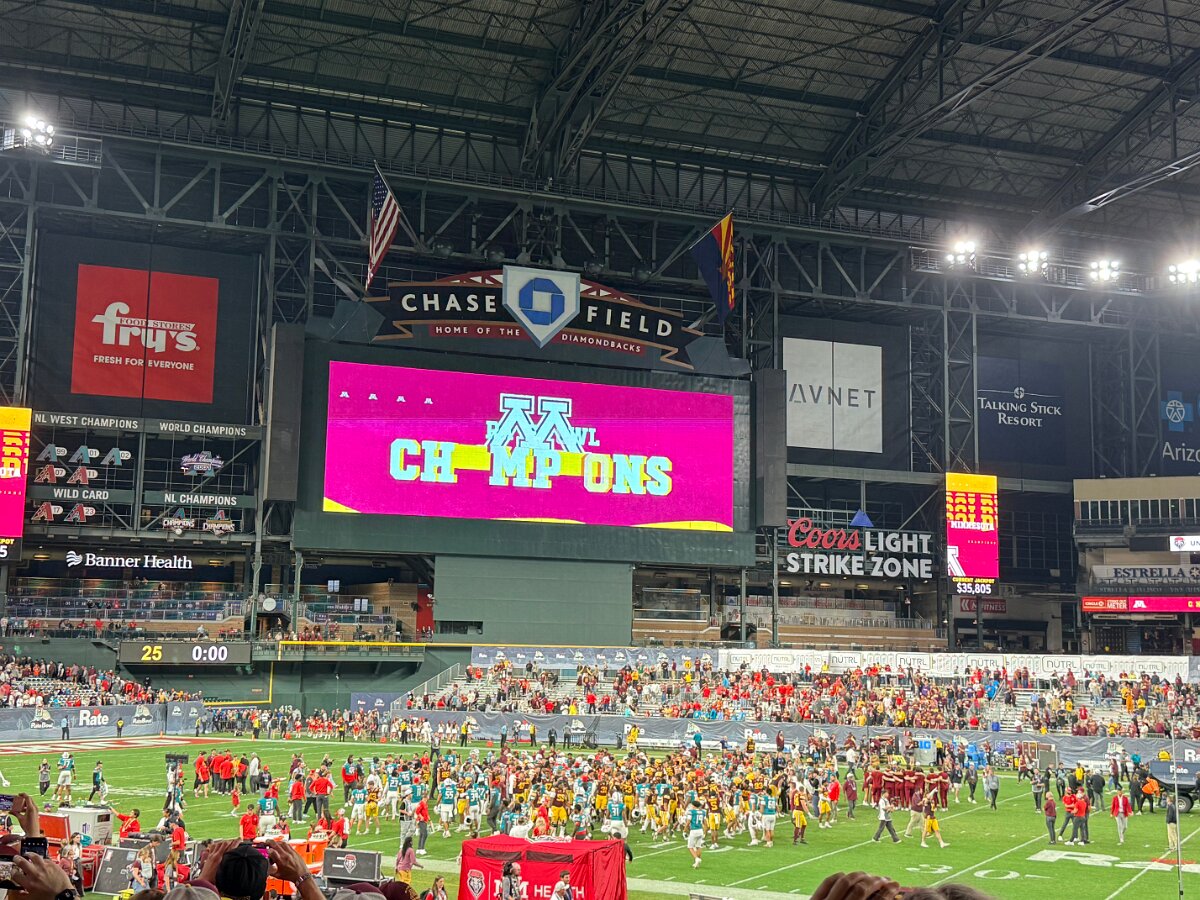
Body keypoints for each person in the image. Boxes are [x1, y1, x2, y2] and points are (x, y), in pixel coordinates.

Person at [685, 799, 705, 869]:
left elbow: (688, 821)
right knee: (698, 846)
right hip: (700, 830)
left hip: (694, 830)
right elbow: (705, 823)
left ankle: (696, 859)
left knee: (690, 847)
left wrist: (685, 829)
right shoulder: (703, 812)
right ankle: (697, 864)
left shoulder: (691, 812)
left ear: (693, 806)